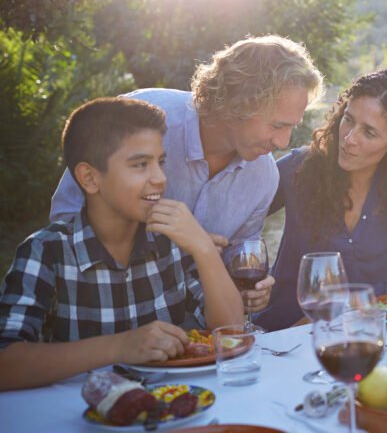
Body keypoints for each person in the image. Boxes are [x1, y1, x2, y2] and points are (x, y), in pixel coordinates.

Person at [49, 35, 324, 313]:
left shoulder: (264, 178)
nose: (283, 143)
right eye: (277, 125)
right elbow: (66, 216)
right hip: (102, 312)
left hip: (195, 334)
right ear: (239, 103)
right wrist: (175, 244)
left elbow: (237, 259)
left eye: (291, 127)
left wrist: (248, 287)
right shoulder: (141, 120)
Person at [0, 98, 244, 390]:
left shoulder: (171, 242)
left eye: (161, 162)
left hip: (174, 411)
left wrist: (203, 248)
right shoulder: (46, 252)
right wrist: (121, 346)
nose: (160, 178)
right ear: (90, 178)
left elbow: (232, 333)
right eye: (141, 164)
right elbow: (6, 363)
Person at [255, 70, 387, 331]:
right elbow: (233, 223)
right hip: (284, 334)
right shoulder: (301, 166)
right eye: (348, 120)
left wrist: (345, 307)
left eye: (369, 133)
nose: (350, 139)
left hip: (365, 335)